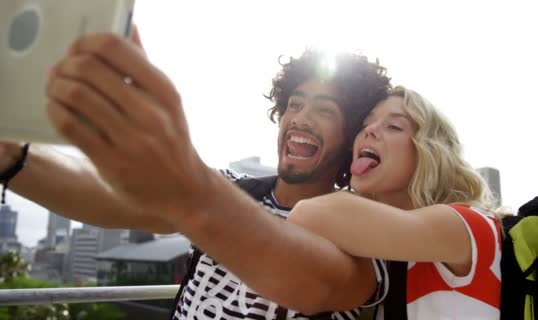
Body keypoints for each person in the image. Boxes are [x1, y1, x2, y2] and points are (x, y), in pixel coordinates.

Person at [0, 31, 393, 319]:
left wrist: (189, 188)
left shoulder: (366, 229)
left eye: (325, 110)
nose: (301, 118)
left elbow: (318, 285)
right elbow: (109, 198)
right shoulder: (231, 187)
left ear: (353, 134)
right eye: (294, 104)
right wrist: (12, 155)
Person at [287, 86, 503, 319]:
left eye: (394, 126)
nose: (369, 130)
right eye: (364, 125)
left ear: (428, 150)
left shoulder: (468, 225)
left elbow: (307, 215)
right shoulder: (380, 251)